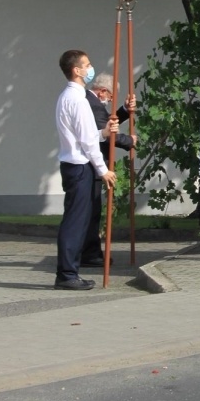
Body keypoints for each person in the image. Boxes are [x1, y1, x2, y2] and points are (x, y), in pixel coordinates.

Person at [54, 50, 117, 290]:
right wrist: (103, 170)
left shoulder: (69, 97)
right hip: (79, 166)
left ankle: (70, 271)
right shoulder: (77, 99)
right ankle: (67, 274)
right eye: (87, 65)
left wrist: (104, 132)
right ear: (76, 70)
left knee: (77, 221)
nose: (90, 69)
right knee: (75, 222)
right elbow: (87, 142)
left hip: (75, 164)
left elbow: (89, 135)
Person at [81, 73, 136, 268]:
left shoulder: (93, 104)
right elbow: (104, 130)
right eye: (111, 97)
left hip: (92, 166)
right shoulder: (92, 105)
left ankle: (90, 252)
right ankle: (89, 253)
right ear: (103, 91)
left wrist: (123, 110)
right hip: (90, 166)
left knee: (92, 211)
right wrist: (129, 141)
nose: (110, 101)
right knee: (90, 212)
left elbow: (108, 123)